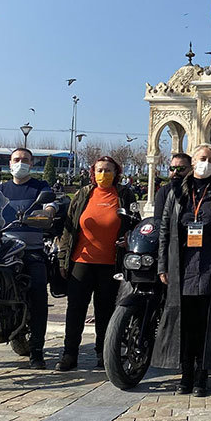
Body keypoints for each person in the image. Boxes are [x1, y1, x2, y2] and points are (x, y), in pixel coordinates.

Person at [154, 144, 211, 396]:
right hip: (182, 263)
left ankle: (202, 374)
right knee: (185, 321)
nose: (207, 163)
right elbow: (165, 230)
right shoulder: (177, 190)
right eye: (202, 158)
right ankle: (186, 374)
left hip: (210, 262)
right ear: (194, 162)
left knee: (206, 321)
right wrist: (163, 264)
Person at [58, 156, 138, 371]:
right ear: (93, 173)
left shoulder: (124, 194)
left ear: (116, 172)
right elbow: (68, 228)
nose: (104, 174)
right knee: (75, 310)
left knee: (105, 311)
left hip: (110, 264)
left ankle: (104, 353)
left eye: (108, 170)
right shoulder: (83, 194)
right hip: (81, 262)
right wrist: (63, 258)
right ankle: (69, 354)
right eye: (100, 170)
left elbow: (135, 222)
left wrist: (129, 239)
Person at [0, 147, 60, 370]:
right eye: (17, 159)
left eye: (25, 160)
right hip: (2, 250)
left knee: (38, 294)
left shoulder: (40, 187)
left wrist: (48, 213)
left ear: (32, 164)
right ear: (10, 163)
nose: (20, 163)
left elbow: (50, 204)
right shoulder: (0, 189)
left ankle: (36, 351)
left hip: (31, 250)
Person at [153, 153, 191, 224]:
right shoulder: (164, 191)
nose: (175, 172)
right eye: (172, 168)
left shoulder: (196, 190)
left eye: (181, 169)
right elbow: (158, 220)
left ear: (191, 169)